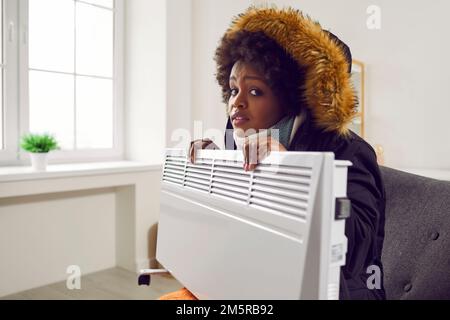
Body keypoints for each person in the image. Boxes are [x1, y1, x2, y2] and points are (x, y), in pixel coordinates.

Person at [163, 6, 386, 300]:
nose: (236, 102)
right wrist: (215, 169)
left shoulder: (352, 151)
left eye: (254, 91)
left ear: (292, 97)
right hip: (255, 280)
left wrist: (291, 171)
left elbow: (352, 249)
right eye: (232, 90)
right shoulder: (239, 139)